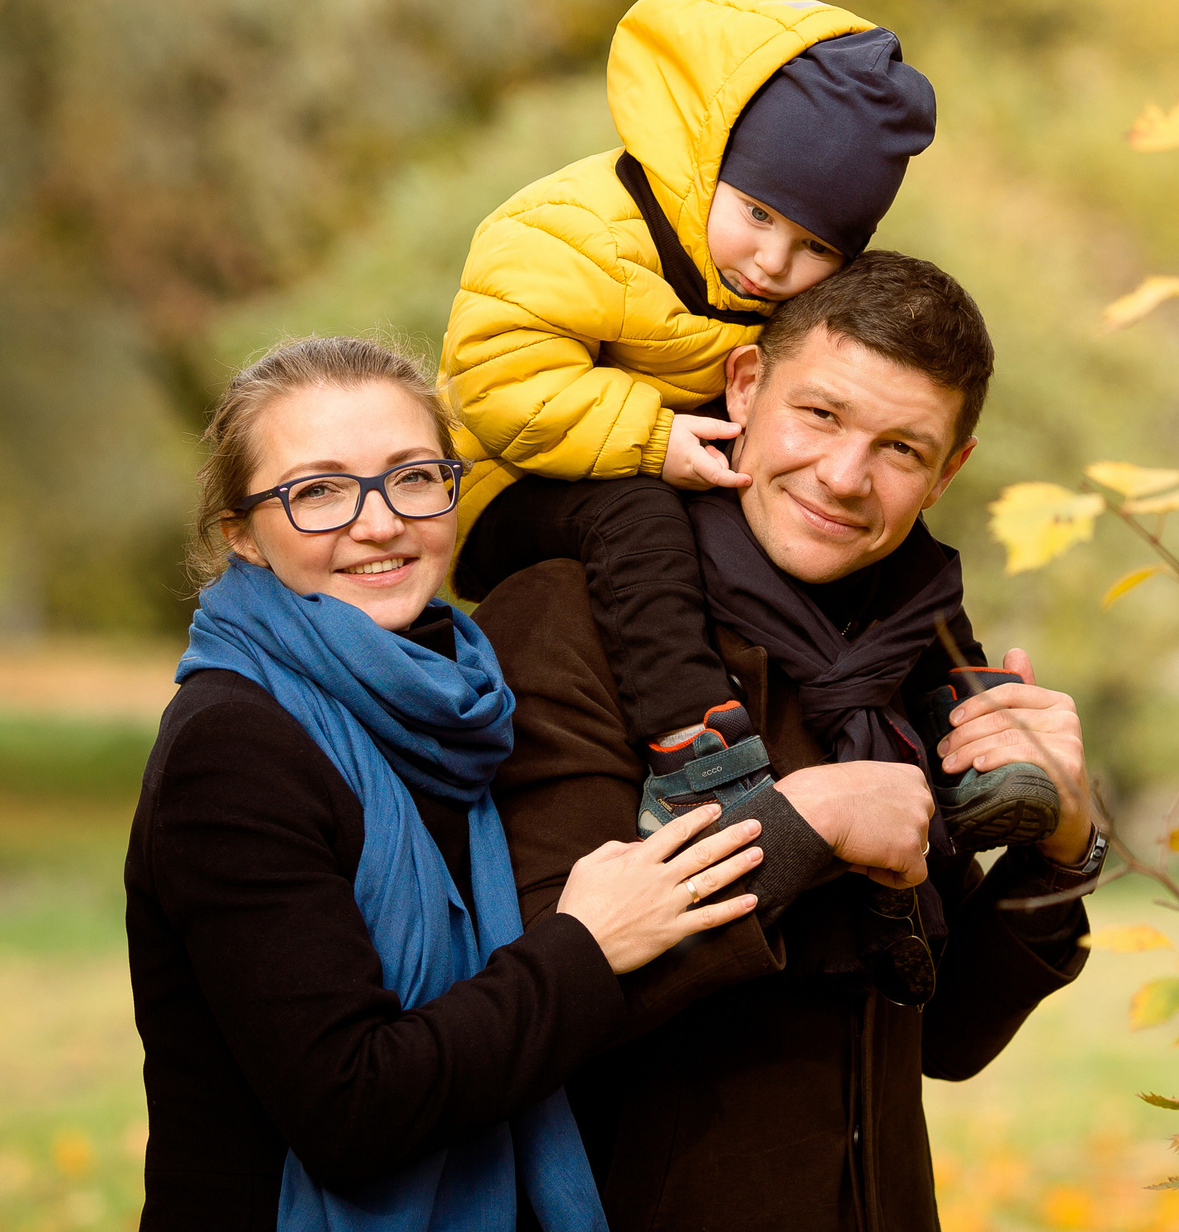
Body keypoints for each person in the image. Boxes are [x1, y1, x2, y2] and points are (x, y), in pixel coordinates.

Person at [473, 256, 1107, 1232]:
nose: (845, 478)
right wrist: (800, 831)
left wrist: (1061, 843)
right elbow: (531, 1005)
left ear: (950, 469)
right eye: (821, 415)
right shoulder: (570, 619)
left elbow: (944, 1032)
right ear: (743, 386)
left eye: (901, 448)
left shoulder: (910, 649)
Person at [125, 335, 767, 1232]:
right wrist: (586, 944)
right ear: (244, 535)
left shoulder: (468, 707)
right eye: (317, 491)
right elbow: (350, 1107)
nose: (381, 521)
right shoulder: (232, 749)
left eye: (413, 475)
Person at [441, 0, 1056, 853]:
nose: (775, 261)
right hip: (517, 477)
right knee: (641, 514)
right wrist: (654, 441)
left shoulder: (751, 276)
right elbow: (497, 378)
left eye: (815, 247)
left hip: (664, 443)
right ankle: (696, 753)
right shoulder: (573, 230)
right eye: (759, 215)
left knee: (882, 522)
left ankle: (969, 716)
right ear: (707, 162)